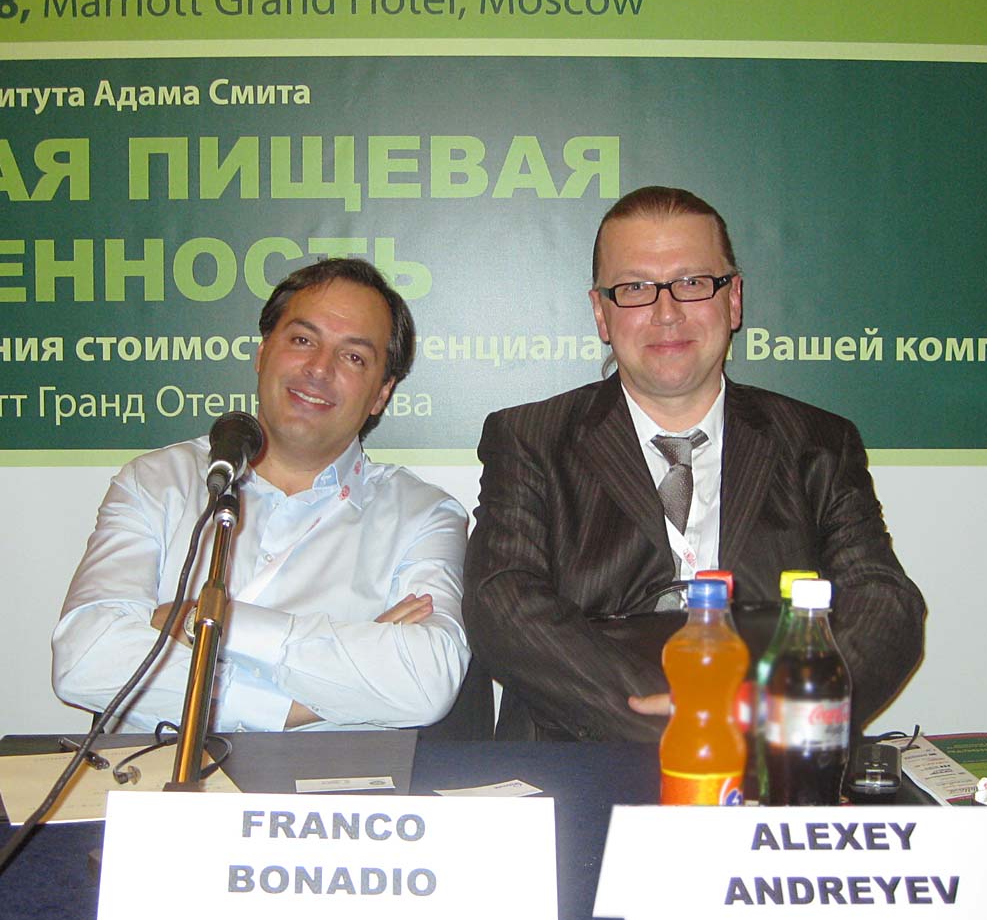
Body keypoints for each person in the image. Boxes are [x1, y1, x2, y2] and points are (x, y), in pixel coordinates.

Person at [463, 186, 925, 741]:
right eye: (635, 288)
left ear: (734, 300)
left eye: (692, 283)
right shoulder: (529, 439)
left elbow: (884, 604)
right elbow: (502, 606)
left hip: (772, 756)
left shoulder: (818, 443)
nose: (666, 312)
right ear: (601, 314)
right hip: (578, 754)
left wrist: (776, 711)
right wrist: (692, 715)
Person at [53, 257, 480, 735]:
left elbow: (425, 681)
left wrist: (204, 621)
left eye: (353, 357)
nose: (319, 368)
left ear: (382, 393)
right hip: (153, 773)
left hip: (332, 783)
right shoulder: (157, 481)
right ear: (262, 353)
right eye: (302, 341)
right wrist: (306, 699)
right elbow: (84, 659)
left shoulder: (423, 515)